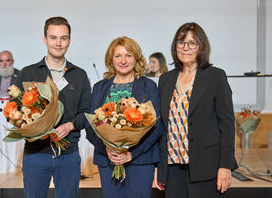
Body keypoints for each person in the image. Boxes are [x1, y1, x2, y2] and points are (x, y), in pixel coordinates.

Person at [154, 22, 238, 198]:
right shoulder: (166, 79)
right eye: (181, 42)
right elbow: (161, 126)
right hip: (172, 167)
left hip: (207, 167)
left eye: (192, 43)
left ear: (201, 46)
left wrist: (225, 166)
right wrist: (159, 168)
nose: (186, 48)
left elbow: (227, 125)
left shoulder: (216, 76)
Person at [14, 17, 91, 198]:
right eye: (53, 37)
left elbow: (87, 113)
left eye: (63, 38)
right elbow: (16, 108)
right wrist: (22, 122)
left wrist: (70, 125)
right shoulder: (28, 73)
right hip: (36, 154)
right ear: (44, 39)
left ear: (69, 41)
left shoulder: (79, 75)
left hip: (68, 154)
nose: (58, 43)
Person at [85, 36, 162, 198]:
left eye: (128, 55)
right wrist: (106, 149)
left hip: (140, 160)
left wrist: (132, 153)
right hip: (108, 160)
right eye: (118, 55)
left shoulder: (149, 86)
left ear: (136, 58)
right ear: (111, 59)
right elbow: (90, 125)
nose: (123, 60)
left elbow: (156, 126)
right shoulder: (100, 88)